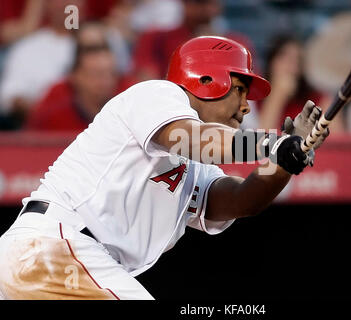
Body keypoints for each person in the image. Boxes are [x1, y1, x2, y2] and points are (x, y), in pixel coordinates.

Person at [0, 36, 328, 300]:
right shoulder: (157, 94)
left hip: (58, 264)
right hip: (54, 247)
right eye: (240, 90)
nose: (245, 107)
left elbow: (242, 200)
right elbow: (193, 138)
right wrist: (271, 144)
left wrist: (282, 164)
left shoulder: (198, 160)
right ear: (206, 79)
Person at [132, 0, 254, 81]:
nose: (204, 10)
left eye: (209, 2)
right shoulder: (156, 38)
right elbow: (147, 83)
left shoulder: (237, 44)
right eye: (198, 2)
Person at [25, 44, 133, 132]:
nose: (106, 81)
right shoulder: (51, 117)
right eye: (96, 74)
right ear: (75, 76)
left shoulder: (128, 115)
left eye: (111, 74)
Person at [257, 35, 329, 131]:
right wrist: (277, 96)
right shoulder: (254, 98)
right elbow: (262, 137)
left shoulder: (318, 100)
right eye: (285, 59)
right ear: (271, 62)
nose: (292, 67)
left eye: (298, 60)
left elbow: (337, 139)